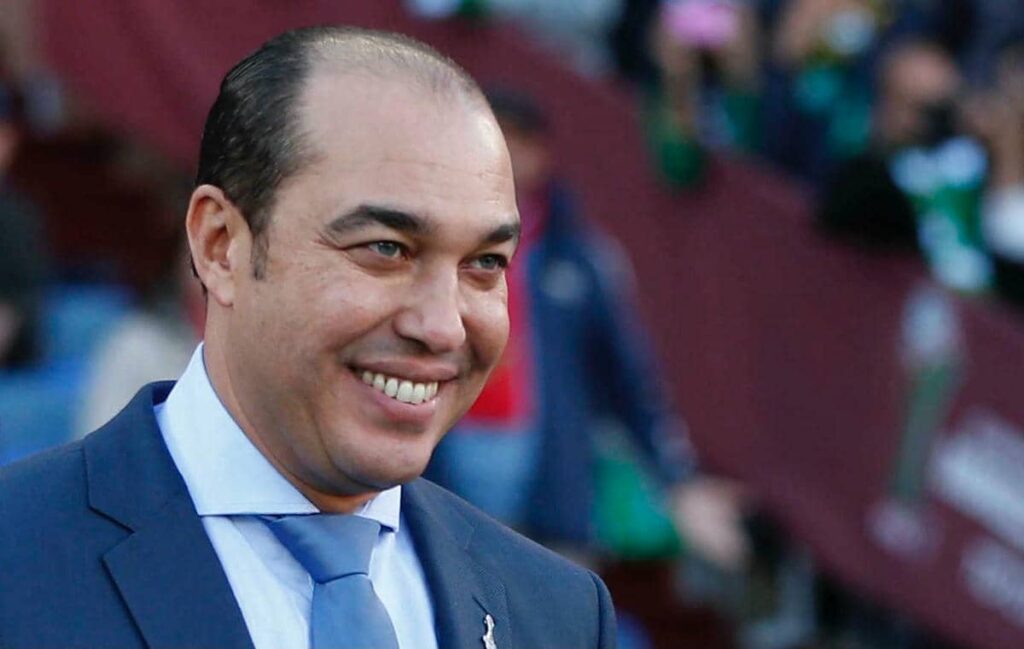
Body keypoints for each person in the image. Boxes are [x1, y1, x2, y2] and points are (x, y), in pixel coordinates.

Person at [0, 26, 616, 649]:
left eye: (485, 263)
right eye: (386, 248)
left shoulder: (559, 613)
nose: (442, 326)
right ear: (220, 245)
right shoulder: (17, 559)